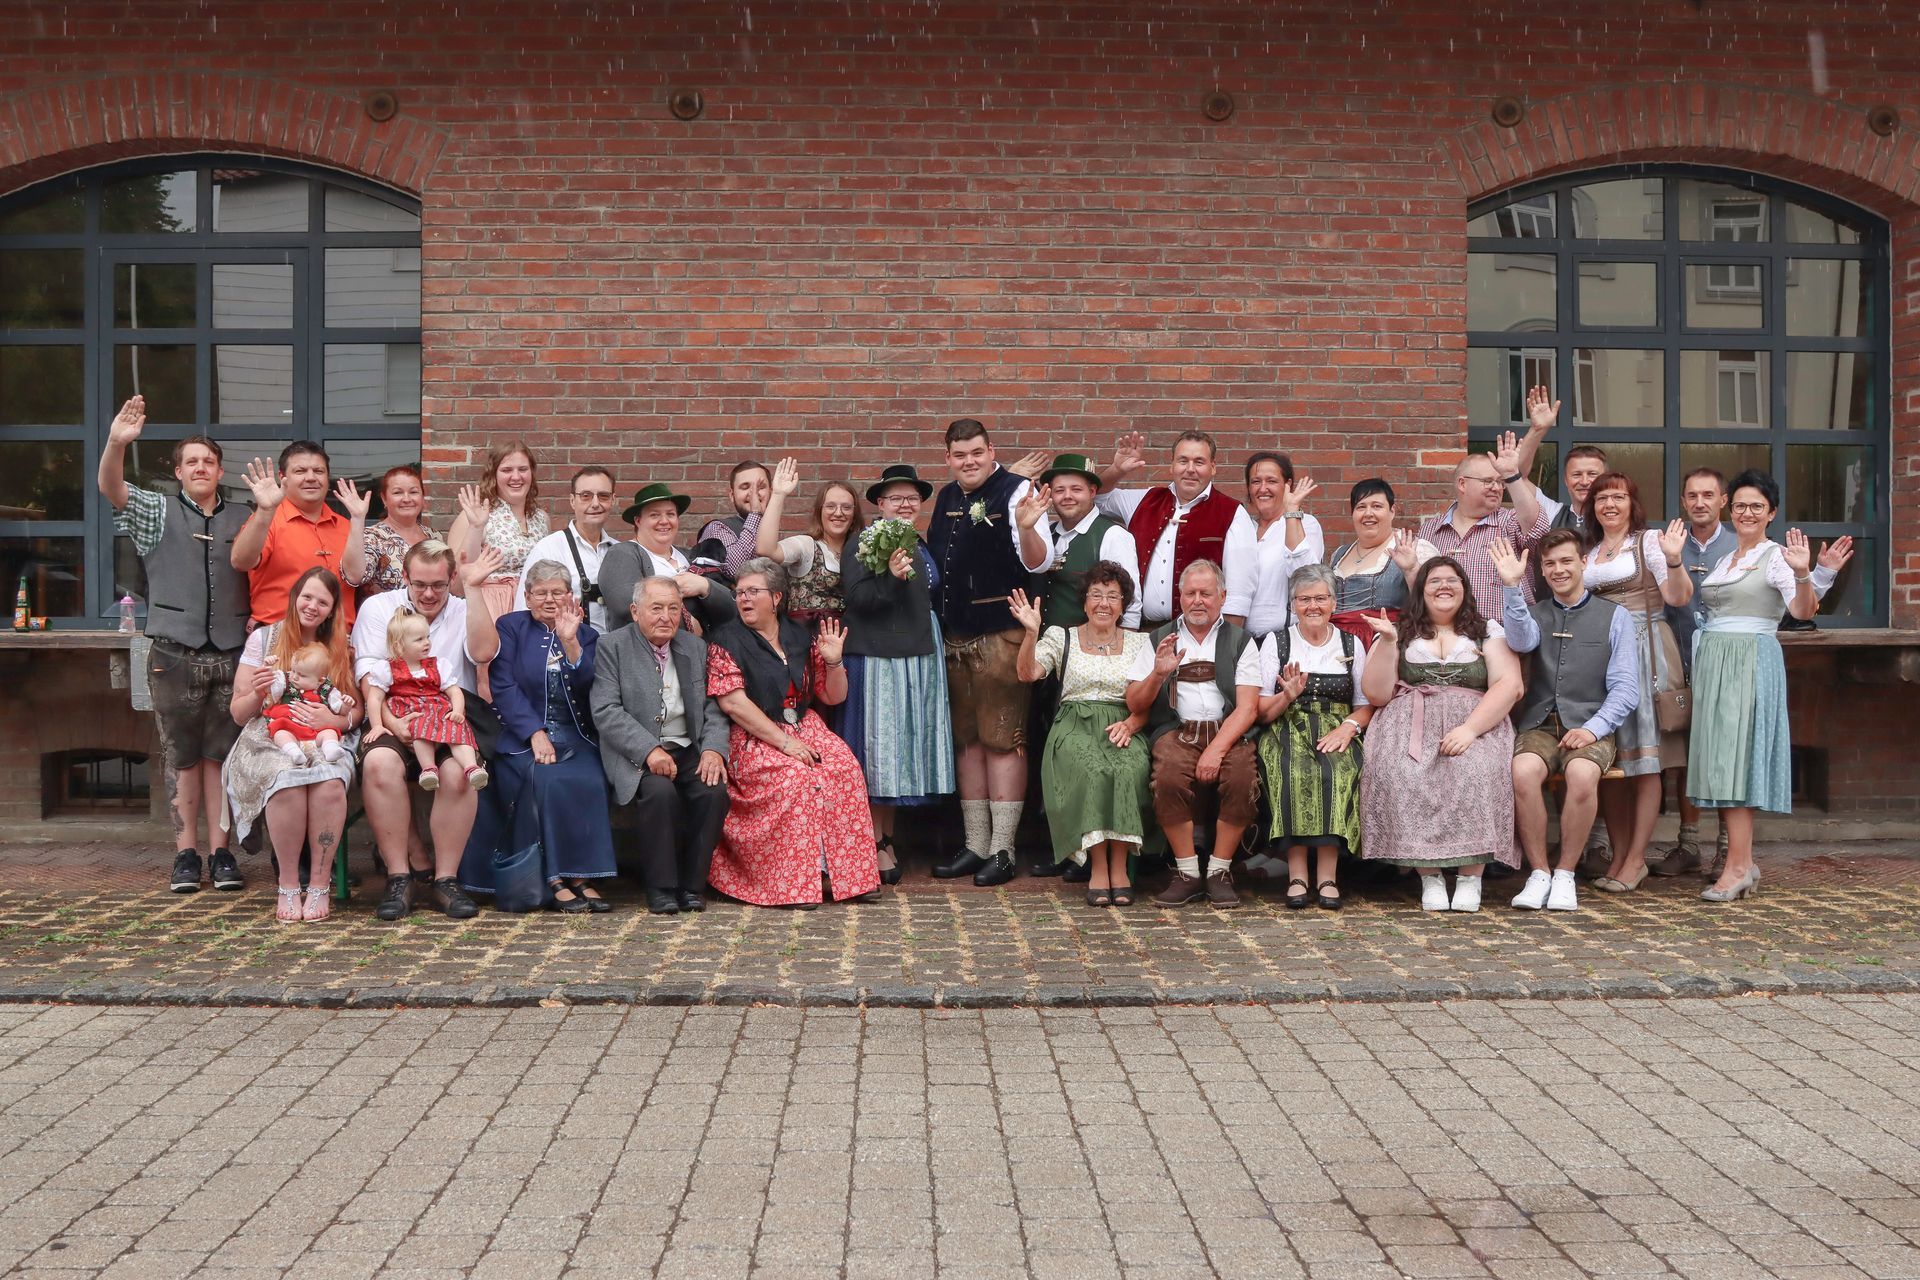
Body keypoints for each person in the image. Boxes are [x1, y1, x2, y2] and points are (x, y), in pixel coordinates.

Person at [96, 395, 249, 893]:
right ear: (178, 472)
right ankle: (186, 854)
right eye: (192, 462)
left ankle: (222, 853)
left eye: (209, 461)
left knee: (222, 756)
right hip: (173, 651)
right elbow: (111, 487)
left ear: (220, 470)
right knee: (181, 755)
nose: (201, 468)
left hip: (232, 651)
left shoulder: (245, 516)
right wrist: (117, 443)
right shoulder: (156, 511)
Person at [1690, 471, 1851, 903]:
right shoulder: (1727, 558)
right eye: (1740, 505)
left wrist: (1806, 574)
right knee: (1723, 762)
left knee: (1738, 761)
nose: (1747, 513)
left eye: (1756, 506)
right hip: (1717, 662)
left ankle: (1738, 866)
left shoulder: (1777, 556)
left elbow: (1801, 610)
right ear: (1730, 509)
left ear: (1771, 512)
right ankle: (1743, 863)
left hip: (1749, 660)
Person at [705, 558, 880, 908]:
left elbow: (833, 695)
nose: (744, 598)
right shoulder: (726, 640)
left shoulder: (799, 635)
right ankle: (794, 882)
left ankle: (844, 877)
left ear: (776, 598)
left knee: (844, 770)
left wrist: (833, 661)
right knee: (795, 778)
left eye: (753, 591)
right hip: (755, 735)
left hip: (805, 725)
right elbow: (733, 704)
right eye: (740, 593)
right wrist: (785, 743)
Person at [1357, 557, 1523, 912]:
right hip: (1409, 725)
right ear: (1421, 590)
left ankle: (1470, 878)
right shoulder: (1398, 632)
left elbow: (1509, 686)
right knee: (1401, 770)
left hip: (1477, 722)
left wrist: (1470, 729)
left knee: (1476, 770)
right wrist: (1387, 643)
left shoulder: (1487, 631)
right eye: (1434, 581)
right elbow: (1377, 694)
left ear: (1465, 589)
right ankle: (1429, 876)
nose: (1444, 586)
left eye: (1452, 580)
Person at [352, 541, 503, 921]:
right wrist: (391, 722)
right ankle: (399, 876)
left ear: (451, 579)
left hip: (448, 716)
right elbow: (369, 674)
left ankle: (446, 879)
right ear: (404, 577)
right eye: (419, 584)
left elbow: (484, 653)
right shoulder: (379, 608)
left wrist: (473, 589)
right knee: (380, 764)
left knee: (458, 773)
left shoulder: (464, 608)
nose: (429, 594)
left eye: (438, 584)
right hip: (393, 709)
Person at [1491, 532, 1639, 913]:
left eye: (1566, 561)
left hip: (1591, 725)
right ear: (1542, 570)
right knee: (1522, 772)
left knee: (1582, 775)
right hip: (1540, 725)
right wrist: (1511, 587)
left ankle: (1565, 874)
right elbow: (1520, 642)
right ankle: (1539, 872)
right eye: (1550, 564)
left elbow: (1626, 688)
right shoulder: (1535, 612)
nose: (1558, 570)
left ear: (1583, 562)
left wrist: (1593, 728)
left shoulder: (1615, 617)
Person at [459, 561, 617, 913]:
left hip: (576, 735)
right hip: (521, 736)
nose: (549, 599)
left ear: (570, 597)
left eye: (557, 592)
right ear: (527, 597)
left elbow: (591, 688)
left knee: (591, 778)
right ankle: (552, 876)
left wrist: (571, 643)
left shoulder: (587, 635)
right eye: (540, 592)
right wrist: (534, 732)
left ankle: (581, 875)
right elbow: (503, 685)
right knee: (545, 779)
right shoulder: (511, 627)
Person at [926, 419, 1037, 887]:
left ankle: (1003, 849)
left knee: (1002, 739)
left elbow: (1037, 561)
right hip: (955, 639)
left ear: (992, 451)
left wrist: (1027, 528)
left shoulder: (1017, 491)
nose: (968, 461)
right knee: (967, 741)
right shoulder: (947, 497)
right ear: (948, 458)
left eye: (976, 452)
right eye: (960, 455)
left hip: (1000, 634)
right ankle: (975, 843)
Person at [840, 465, 956, 884]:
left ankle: (886, 837)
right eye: (896, 498)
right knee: (878, 750)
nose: (905, 504)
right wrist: (890, 577)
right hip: (880, 658)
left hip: (917, 655)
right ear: (880, 503)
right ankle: (870, 842)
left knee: (897, 754)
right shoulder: (863, 541)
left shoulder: (918, 543)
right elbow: (858, 599)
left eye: (912, 498)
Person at [1578, 472, 1693, 893]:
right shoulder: (1589, 551)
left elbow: (1679, 597)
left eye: (1618, 497)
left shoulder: (1649, 543)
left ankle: (1636, 859)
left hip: (1645, 649)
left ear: (1632, 503)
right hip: (1601, 653)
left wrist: (1675, 560)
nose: (1610, 504)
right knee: (1611, 762)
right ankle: (1619, 856)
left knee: (1645, 761)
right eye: (1602, 498)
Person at [1125, 560, 1264, 909]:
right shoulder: (1159, 639)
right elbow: (1135, 702)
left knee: (1242, 778)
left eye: (1206, 593)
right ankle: (1187, 873)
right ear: (1180, 597)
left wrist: (1216, 749)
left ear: (1223, 597)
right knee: (1168, 778)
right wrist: (1158, 674)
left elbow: (1248, 708)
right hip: (1177, 730)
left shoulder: (1241, 641)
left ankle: (1219, 871)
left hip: (1227, 729)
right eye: (1190, 593)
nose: (1197, 601)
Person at [223, 567, 359, 923]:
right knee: (285, 780)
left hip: (324, 736)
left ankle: (319, 884)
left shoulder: (341, 645)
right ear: (294, 597)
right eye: (307, 597)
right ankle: (287, 883)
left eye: (322, 602)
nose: (312, 606)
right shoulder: (264, 639)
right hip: (271, 735)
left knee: (329, 781)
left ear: (332, 610)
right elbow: (238, 713)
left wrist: (334, 720)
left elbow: (355, 710)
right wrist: (257, 692)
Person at [1009, 566, 1151, 905]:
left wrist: (1133, 723)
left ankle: (1120, 866)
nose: (1104, 603)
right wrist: (1031, 634)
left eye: (1113, 596)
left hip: (1122, 722)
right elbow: (1027, 673)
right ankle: (1098, 867)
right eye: (1096, 595)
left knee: (1128, 768)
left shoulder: (1140, 642)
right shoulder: (1062, 636)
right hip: (1074, 724)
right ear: (1084, 602)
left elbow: (1149, 700)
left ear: (1123, 604)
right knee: (1092, 770)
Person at [590, 576, 731, 915]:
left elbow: (713, 707)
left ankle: (692, 886)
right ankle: (661, 887)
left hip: (687, 747)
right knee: (659, 794)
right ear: (635, 611)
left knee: (713, 793)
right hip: (637, 753)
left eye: (673, 608)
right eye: (656, 608)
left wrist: (713, 749)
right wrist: (648, 750)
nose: (666, 617)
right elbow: (606, 710)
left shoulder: (694, 647)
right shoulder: (612, 646)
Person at [1254, 564, 1372, 911]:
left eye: (1320, 598)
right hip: (1287, 725)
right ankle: (1297, 876)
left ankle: (1328, 877)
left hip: (1337, 727)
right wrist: (1287, 696)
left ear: (1334, 602)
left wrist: (1347, 728)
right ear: (1293, 605)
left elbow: (1365, 705)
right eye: (1304, 599)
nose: (1313, 606)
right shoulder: (1277, 642)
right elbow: (1262, 712)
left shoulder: (1351, 643)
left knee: (1337, 771)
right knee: (1293, 771)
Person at [1652, 466, 1737, 879]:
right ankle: (1688, 844)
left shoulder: (1741, 545)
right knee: (1683, 754)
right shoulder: (1667, 544)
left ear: (1723, 500)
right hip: (1677, 660)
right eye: (1692, 496)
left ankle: (1727, 847)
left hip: (1726, 665)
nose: (1700, 503)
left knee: (1724, 754)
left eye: (1708, 495)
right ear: (1683, 501)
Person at [1096, 430, 1255, 627]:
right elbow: (1095, 498)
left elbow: (1238, 596)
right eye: (1183, 461)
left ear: (1213, 467)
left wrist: (1226, 641)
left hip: (1200, 633)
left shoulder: (1232, 512)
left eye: (1199, 462)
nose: (1190, 469)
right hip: (1143, 631)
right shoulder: (1144, 500)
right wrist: (1116, 470)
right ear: (1171, 465)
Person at [1418, 406, 1549, 616]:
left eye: (1500, 482)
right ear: (1462, 484)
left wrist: (1512, 475)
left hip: (1504, 633)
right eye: (1488, 481)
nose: (1497, 488)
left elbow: (1538, 528)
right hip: (1444, 634)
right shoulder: (1430, 531)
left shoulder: (1509, 521)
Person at [230, 440, 369, 626]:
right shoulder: (268, 520)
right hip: (282, 636)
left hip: (338, 639)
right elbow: (240, 561)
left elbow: (355, 577)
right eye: (300, 471)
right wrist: (264, 511)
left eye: (318, 471)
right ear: (282, 477)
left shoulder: (346, 526)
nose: (311, 478)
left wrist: (358, 520)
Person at [1014, 453, 1141, 630]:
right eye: (1059, 490)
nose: (1067, 496)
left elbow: (1130, 605)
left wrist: (1122, 644)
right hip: (1042, 642)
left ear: (1092, 492)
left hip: (1089, 645)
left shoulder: (1113, 535)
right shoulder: (1046, 533)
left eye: (1076, 489)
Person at [364, 610, 487, 790]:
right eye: (419, 639)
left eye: (427, 637)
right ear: (399, 645)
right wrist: (377, 725)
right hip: (413, 713)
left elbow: (454, 691)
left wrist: (457, 711)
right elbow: (375, 698)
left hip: (439, 711)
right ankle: (428, 769)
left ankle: (471, 767)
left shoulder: (438, 665)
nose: (427, 642)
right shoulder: (387, 669)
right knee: (419, 726)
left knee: (457, 728)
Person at [598, 482, 739, 636]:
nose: (664, 521)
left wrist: (704, 585)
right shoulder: (622, 554)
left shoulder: (689, 556)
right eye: (655, 515)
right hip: (644, 650)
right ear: (638, 521)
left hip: (699, 649)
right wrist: (688, 623)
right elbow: (626, 605)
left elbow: (733, 607)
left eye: (670, 514)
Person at [448, 439, 550, 623]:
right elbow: (456, 585)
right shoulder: (475, 516)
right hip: (492, 611)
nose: (516, 477)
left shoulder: (542, 519)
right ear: (493, 475)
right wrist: (476, 527)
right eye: (506, 470)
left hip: (534, 612)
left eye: (523, 469)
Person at [1326, 479, 1435, 645]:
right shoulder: (1339, 554)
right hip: (1337, 646)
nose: (1368, 513)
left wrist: (1412, 569)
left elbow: (1434, 604)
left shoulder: (1416, 549)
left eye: (1377, 506)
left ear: (1392, 511)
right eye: (1361, 507)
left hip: (1384, 644)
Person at [754, 458, 856, 629]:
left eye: (846, 507)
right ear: (819, 511)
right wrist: (778, 495)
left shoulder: (859, 553)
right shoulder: (807, 546)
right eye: (830, 506)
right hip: (806, 638)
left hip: (847, 638)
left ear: (854, 513)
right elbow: (766, 548)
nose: (838, 513)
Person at [515, 466, 620, 631]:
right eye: (585, 496)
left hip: (615, 647)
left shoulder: (621, 551)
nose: (595, 503)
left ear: (613, 500)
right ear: (572, 501)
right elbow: (524, 613)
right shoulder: (548, 549)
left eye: (603, 496)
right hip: (566, 646)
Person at [1235, 452, 1325, 640]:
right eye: (1256, 481)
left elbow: (1306, 578)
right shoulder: (1244, 527)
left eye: (1271, 481)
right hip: (1243, 642)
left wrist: (1291, 513)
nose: (1263, 488)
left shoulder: (1306, 523)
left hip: (1284, 641)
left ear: (1287, 485)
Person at [264, 644, 353, 765]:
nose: (294, 677)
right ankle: (293, 752)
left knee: (330, 732)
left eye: (302, 675)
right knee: (280, 734)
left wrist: (346, 705)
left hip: (316, 732)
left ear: (320, 680)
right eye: (293, 670)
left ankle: (330, 749)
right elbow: (268, 688)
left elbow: (341, 710)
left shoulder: (327, 690)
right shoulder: (285, 682)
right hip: (289, 727)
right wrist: (267, 668)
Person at [360, 465, 437, 601]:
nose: (406, 499)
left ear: (422, 497)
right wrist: (357, 518)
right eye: (397, 493)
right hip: (386, 614)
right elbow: (357, 577)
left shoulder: (434, 536)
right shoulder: (371, 537)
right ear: (384, 499)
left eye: (413, 492)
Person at [698, 459, 772, 581]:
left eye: (760, 487)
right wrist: (755, 513)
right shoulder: (717, 528)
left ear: (770, 492)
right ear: (732, 495)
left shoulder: (771, 533)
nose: (753, 494)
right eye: (745, 487)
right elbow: (737, 570)